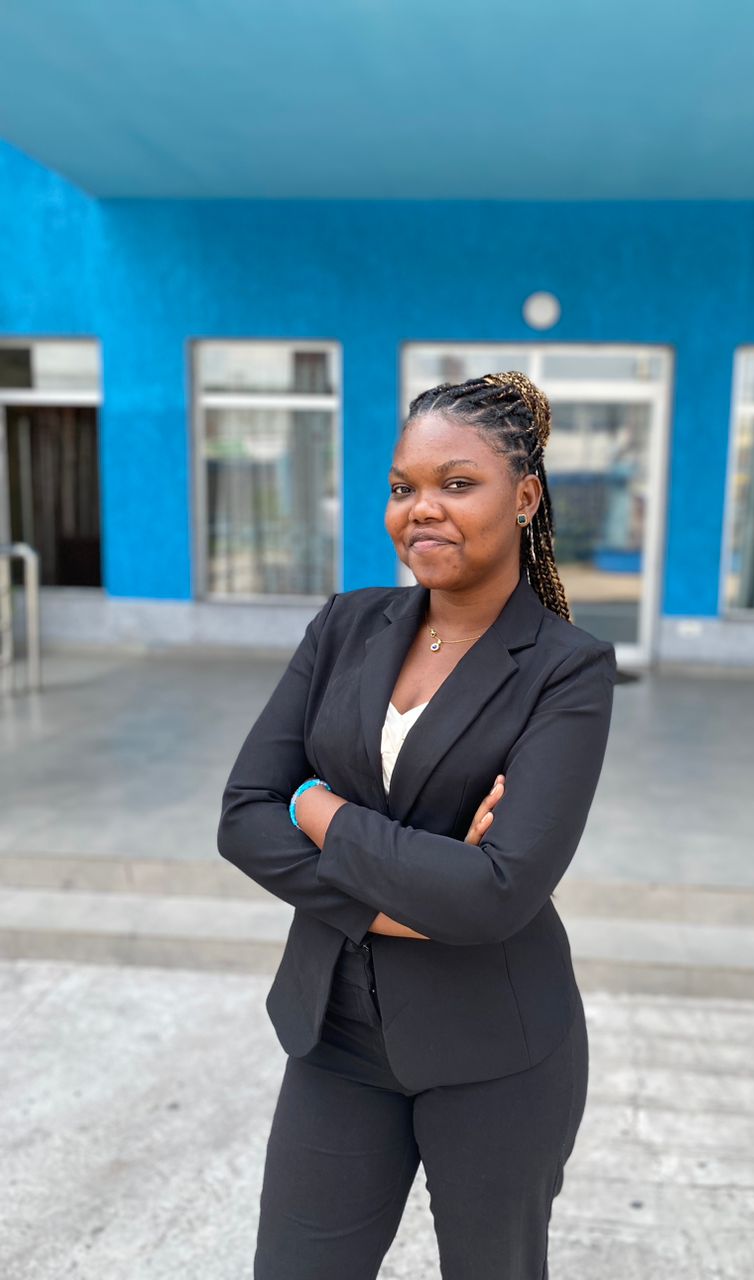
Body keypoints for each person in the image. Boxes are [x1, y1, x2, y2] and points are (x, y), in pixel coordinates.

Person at [217, 370, 617, 1280]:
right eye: (404, 487)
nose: (421, 509)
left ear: (525, 498)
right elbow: (242, 817)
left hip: (494, 1050)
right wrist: (416, 894)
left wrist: (316, 806)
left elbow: (495, 895)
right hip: (335, 1035)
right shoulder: (345, 625)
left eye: (457, 483)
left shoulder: (566, 670)